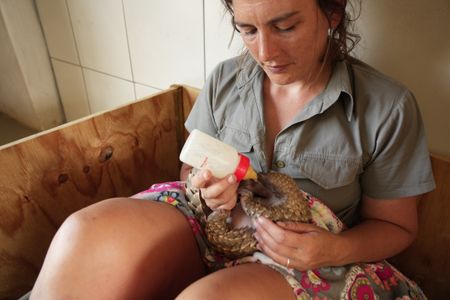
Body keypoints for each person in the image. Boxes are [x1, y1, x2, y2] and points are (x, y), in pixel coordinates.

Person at [27, 0, 435, 299]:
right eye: (248, 30)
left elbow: (398, 227)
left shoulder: (386, 107)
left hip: (303, 258)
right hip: (211, 223)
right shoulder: (226, 79)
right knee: (85, 234)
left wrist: (333, 248)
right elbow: (191, 173)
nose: (264, 54)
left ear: (332, 12)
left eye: (285, 26)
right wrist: (206, 189)